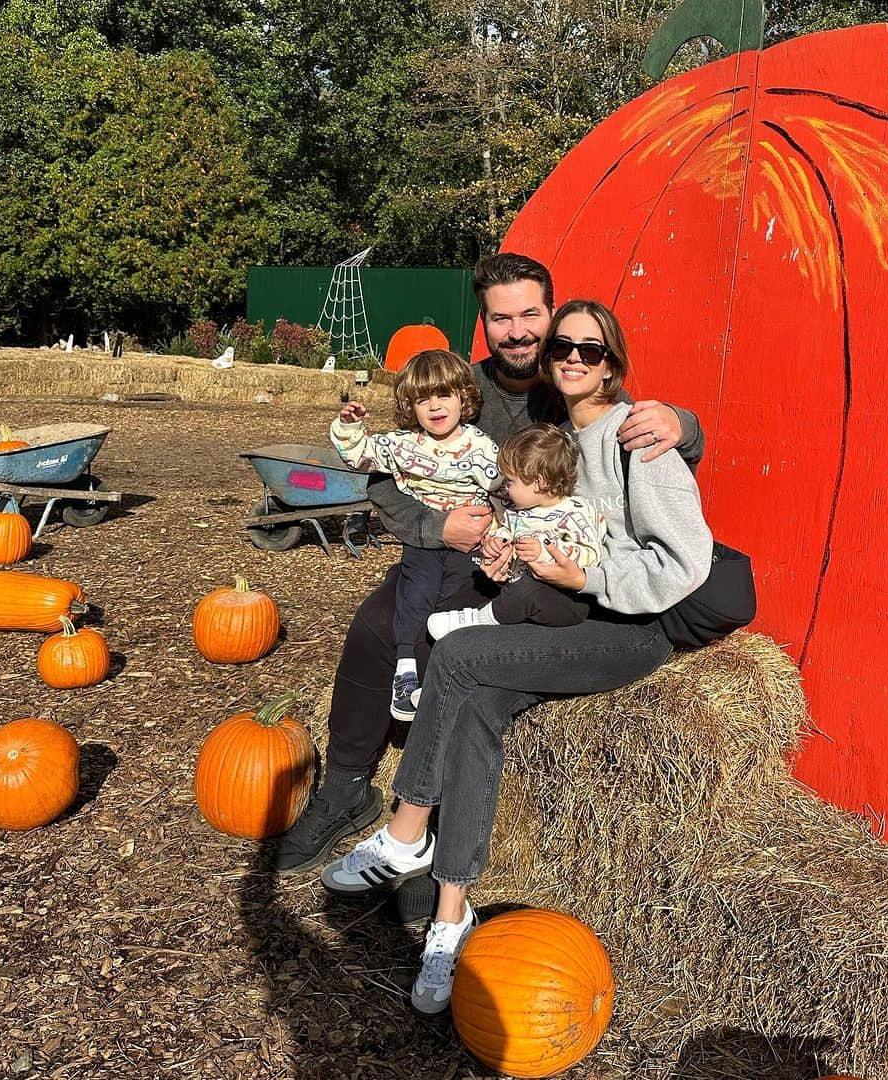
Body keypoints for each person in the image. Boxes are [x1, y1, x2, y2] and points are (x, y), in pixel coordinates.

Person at [320, 298, 713, 1015]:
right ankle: (450, 917)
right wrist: (509, 559)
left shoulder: (641, 441)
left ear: (613, 364)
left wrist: (584, 577)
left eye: (590, 351)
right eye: (563, 344)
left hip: (627, 630)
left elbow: (684, 563)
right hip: (556, 617)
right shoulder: (556, 439)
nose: (570, 357)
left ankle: (405, 832)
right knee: (474, 705)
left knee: (460, 649)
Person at [268, 253, 704, 876]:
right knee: (373, 628)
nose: (519, 331)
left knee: (460, 651)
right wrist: (434, 525)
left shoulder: (574, 381)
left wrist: (683, 423)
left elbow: (646, 446)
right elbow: (392, 473)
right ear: (484, 322)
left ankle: (433, 831)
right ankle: (346, 787)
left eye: (531, 314)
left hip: (532, 570)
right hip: (448, 550)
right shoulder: (455, 384)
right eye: (502, 318)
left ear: (551, 316)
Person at [330, 349, 501, 719]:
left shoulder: (482, 448)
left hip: (468, 540)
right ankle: (406, 671)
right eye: (423, 399)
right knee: (416, 592)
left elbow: (503, 493)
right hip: (425, 539)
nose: (435, 407)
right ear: (411, 406)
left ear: (463, 398)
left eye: (444, 396)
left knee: (453, 599)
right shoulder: (404, 444)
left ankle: (443, 676)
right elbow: (359, 456)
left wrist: (499, 533)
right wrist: (349, 426)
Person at [427, 422, 605, 638]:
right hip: (514, 589)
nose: (505, 487)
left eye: (510, 481)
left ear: (539, 483)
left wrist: (545, 552)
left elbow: (591, 555)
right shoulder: (518, 512)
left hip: (567, 599)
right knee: (487, 584)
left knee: (526, 591)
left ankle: (480, 621)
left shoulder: (574, 514)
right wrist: (496, 543)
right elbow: (506, 533)